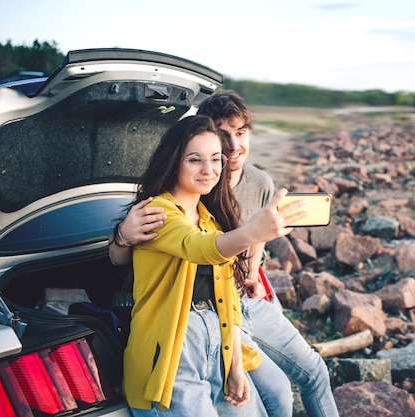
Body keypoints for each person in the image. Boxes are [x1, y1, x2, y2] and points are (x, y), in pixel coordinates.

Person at [112, 91, 340, 417]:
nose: (212, 166)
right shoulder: (160, 211)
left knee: (289, 387)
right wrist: (253, 232)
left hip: (222, 330)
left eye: (215, 158)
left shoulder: (214, 213)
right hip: (176, 345)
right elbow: (199, 248)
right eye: (196, 158)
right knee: (274, 394)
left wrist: (234, 366)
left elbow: (226, 295)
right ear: (175, 159)